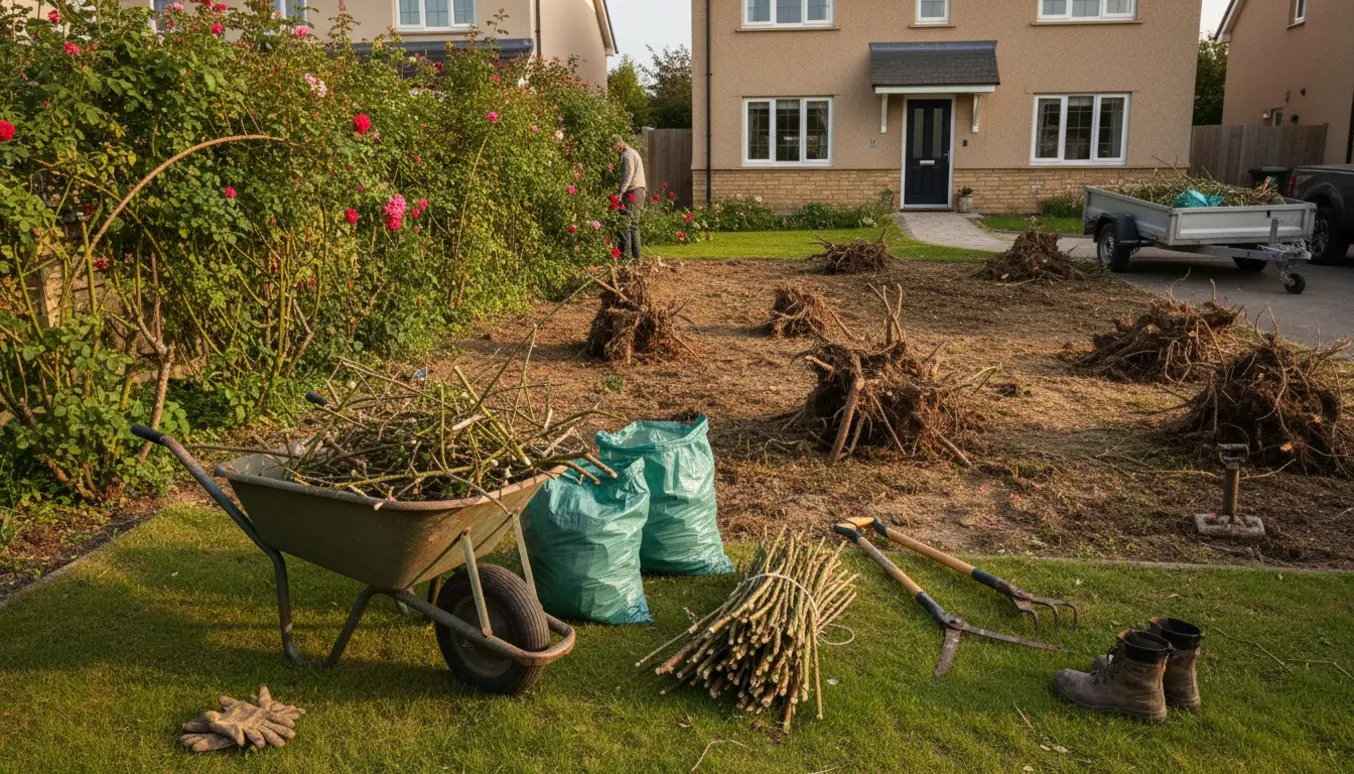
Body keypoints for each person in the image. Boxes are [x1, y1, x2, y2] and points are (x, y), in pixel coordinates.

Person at [614, 136, 647, 259]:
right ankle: (637, 259)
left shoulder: (627, 155)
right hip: (639, 190)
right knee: (633, 225)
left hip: (633, 191)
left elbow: (628, 175)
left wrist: (620, 193)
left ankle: (627, 257)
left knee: (626, 224)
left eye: (615, 146)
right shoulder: (632, 152)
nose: (615, 149)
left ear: (620, 143)